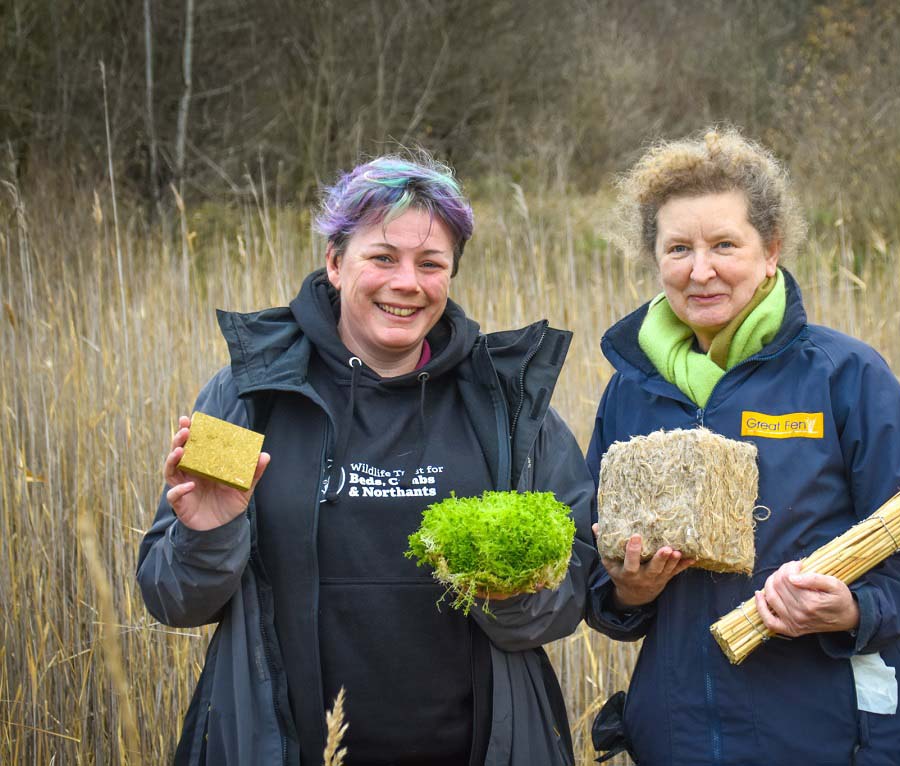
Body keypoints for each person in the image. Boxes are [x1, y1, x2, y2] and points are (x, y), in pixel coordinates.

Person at [137, 153, 596, 766]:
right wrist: (209, 533)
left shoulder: (504, 405)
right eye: (382, 258)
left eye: (430, 264)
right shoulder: (251, 392)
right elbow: (175, 600)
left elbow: (570, 594)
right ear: (334, 262)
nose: (406, 283)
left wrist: (510, 588)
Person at [584, 129, 900, 765]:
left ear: (772, 251)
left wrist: (853, 608)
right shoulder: (630, 392)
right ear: (655, 258)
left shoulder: (843, 374)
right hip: (678, 738)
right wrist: (629, 592)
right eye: (678, 248)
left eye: (724, 245)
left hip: (831, 735)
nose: (700, 270)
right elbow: (592, 566)